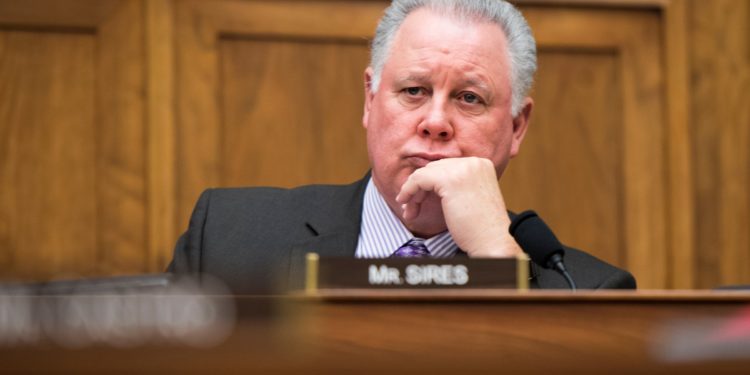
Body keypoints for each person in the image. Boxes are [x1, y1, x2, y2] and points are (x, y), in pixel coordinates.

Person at [168, 0, 636, 293]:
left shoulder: (590, 292)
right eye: (413, 90)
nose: (435, 122)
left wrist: (499, 257)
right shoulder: (228, 240)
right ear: (371, 100)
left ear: (517, 127)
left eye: (469, 98)